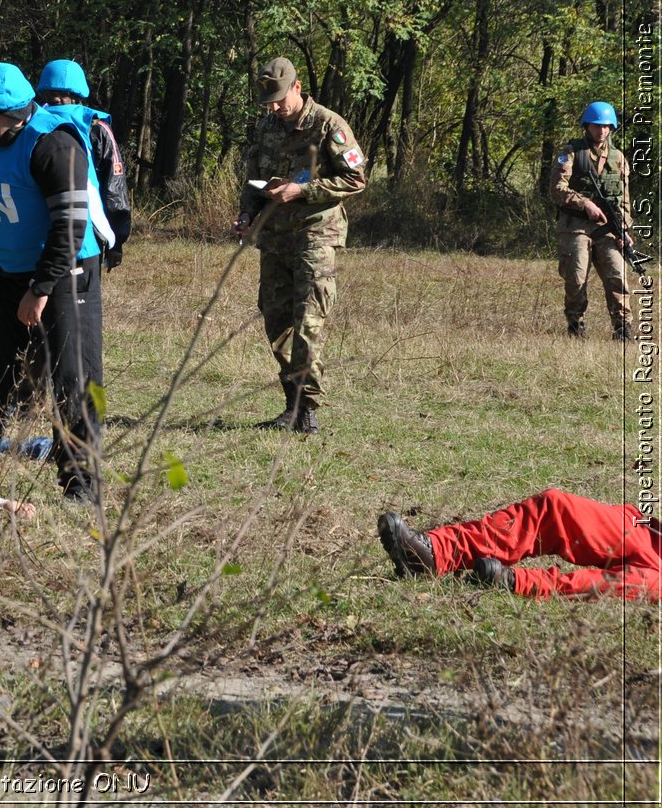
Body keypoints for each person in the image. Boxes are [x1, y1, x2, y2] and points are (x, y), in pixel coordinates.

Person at [0, 62, 106, 502]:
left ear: (20, 112)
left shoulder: (53, 147)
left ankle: (82, 484)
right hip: (6, 274)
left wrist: (41, 288)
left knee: (72, 379)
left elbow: (71, 226)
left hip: (66, 273)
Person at [232, 57, 366, 435]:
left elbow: (356, 179)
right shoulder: (267, 128)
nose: (274, 108)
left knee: (308, 320)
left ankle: (307, 410)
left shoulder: (328, 125)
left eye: (279, 100)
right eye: (267, 102)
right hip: (275, 238)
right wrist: (246, 214)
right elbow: (253, 179)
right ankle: (290, 406)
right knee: (277, 321)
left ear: (297, 86)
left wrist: (304, 190)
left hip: (315, 235)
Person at [377, 492, 661, 601]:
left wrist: (515, 580)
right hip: (650, 527)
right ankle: (433, 554)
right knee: (555, 507)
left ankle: (512, 582)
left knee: (620, 584)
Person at [35, 59, 132, 270]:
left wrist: (116, 239)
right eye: (53, 93)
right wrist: (117, 240)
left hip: (39, 233)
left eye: (61, 93)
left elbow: (113, 185)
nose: (57, 99)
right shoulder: (96, 127)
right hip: (83, 238)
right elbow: (114, 186)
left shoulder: (31, 124)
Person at [549, 101, 634, 340]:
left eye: (607, 126)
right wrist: (583, 203)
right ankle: (576, 324)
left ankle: (623, 327)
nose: (602, 130)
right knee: (576, 277)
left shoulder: (618, 158)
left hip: (606, 228)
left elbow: (624, 199)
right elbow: (557, 188)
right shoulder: (571, 152)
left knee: (618, 275)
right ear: (587, 126)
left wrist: (624, 229)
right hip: (575, 226)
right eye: (597, 126)